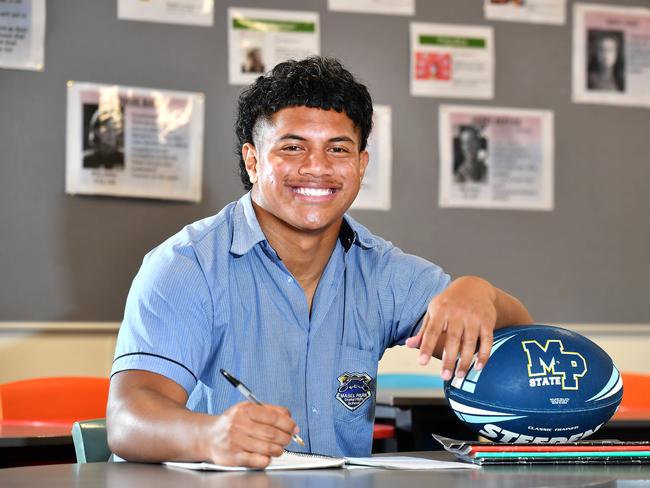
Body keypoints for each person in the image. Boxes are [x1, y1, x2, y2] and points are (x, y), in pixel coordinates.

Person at [107, 56, 533, 467]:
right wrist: (209, 435)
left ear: (361, 165)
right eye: (292, 147)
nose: (316, 167)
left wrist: (480, 292)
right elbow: (127, 420)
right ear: (252, 161)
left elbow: (524, 343)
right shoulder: (186, 266)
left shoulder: (380, 270)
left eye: (338, 149)